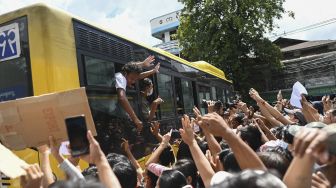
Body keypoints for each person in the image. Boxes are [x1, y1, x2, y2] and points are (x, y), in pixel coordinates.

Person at [114, 55, 160, 144]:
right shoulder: (121, 77)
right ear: (126, 73)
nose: (133, 82)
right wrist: (135, 119)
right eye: (132, 79)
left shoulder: (124, 76)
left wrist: (152, 71)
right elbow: (122, 97)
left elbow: (137, 76)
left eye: (135, 80)